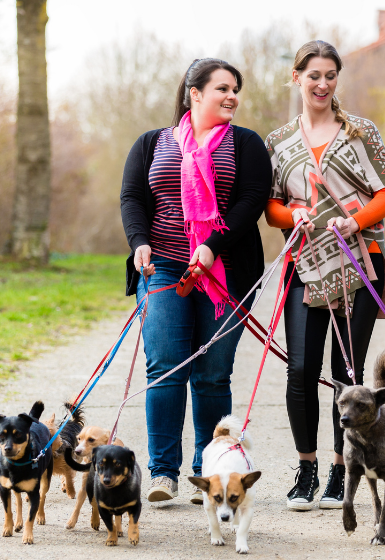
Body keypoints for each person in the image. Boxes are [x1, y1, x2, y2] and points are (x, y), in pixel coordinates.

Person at [264, 40, 385, 511]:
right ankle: (307, 468)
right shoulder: (278, 142)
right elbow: (271, 208)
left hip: (360, 261)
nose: (322, 83)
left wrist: (355, 221)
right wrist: (293, 218)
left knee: (345, 373)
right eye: (313, 75)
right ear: (297, 78)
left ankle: (340, 469)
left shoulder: (361, 132)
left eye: (330, 75)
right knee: (300, 369)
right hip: (305, 266)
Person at [120, 58, 271, 504]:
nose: (232, 96)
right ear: (195, 92)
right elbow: (132, 197)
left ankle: (210, 472)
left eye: (236, 89)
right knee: (165, 365)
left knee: (210, 375)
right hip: (164, 267)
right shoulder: (153, 143)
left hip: (224, 270)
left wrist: (212, 244)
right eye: (223, 87)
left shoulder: (245, 144)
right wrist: (138, 242)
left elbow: (251, 200)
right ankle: (164, 473)